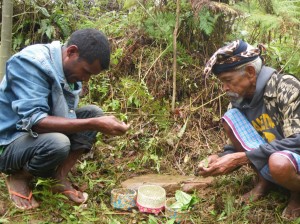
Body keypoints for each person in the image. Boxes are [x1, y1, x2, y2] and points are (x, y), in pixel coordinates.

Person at [0, 28, 130, 210]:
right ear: (71, 52)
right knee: (59, 141)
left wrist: (95, 121)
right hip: (9, 142)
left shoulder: (67, 70)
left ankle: (58, 178)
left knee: (94, 113)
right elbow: (36, 122)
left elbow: (65, 115)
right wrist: (94, 124)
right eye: (85, 72)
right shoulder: (30, 62)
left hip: (35, 137)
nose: (85, 80)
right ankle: (18, 176)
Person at [197, 39, 300, 220]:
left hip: (290, 157)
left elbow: (298, 140)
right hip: (273, 154)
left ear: (250, 72)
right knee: (231, 119)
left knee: (279, 162)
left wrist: (241, 159)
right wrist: (219, 158)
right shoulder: (239, 101)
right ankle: (265, 181)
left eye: (228, 80)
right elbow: (242, 144)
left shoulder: (286, 87)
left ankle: (297, 195)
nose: (224, 88)